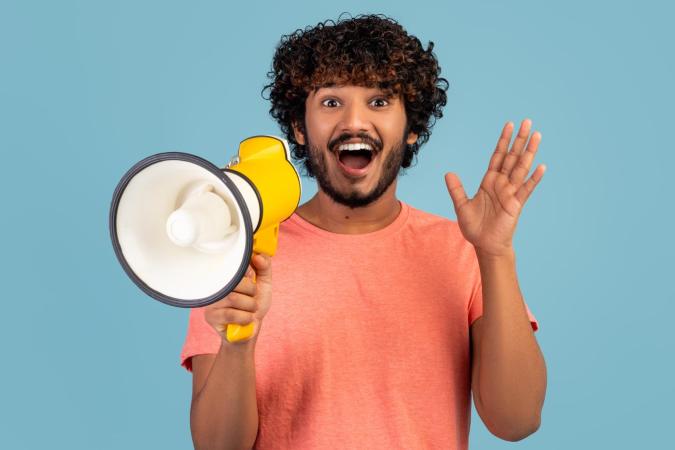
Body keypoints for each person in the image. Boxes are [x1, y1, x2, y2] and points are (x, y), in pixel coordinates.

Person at [181, 14, 547, 450]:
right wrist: (239, 346)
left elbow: (517, 419)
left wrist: (495, 253)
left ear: (412, 128)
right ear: (300, 126)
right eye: (331, 102)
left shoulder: (463, 252)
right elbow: (218, 447)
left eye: (379, 101)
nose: (354, 122)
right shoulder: (239, 253)